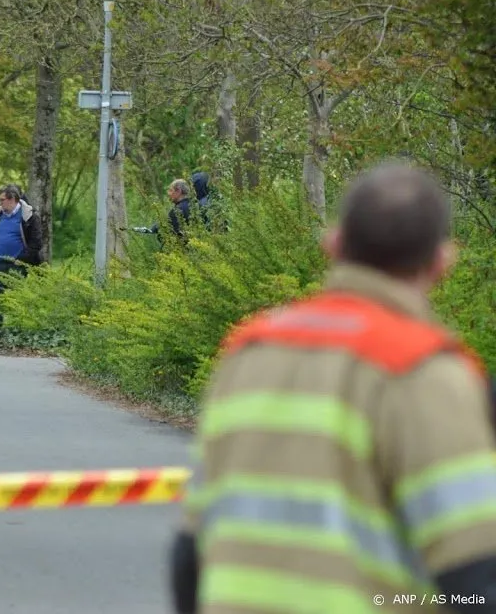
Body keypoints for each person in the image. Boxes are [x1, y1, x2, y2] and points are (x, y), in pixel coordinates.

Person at [170, 162, 496, 613]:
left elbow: (191, 554)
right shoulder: (426, 372)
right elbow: (474, 579)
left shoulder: (247, 355)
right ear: (443, 262)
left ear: (334, 243)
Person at [0, 184, 43, 339]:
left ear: (12, 199)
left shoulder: (28, 217)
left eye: (2, 200)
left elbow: (36, 242)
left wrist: (21, 260)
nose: (0, 203)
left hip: (17, 265)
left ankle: (17, 331)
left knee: (17, 300)